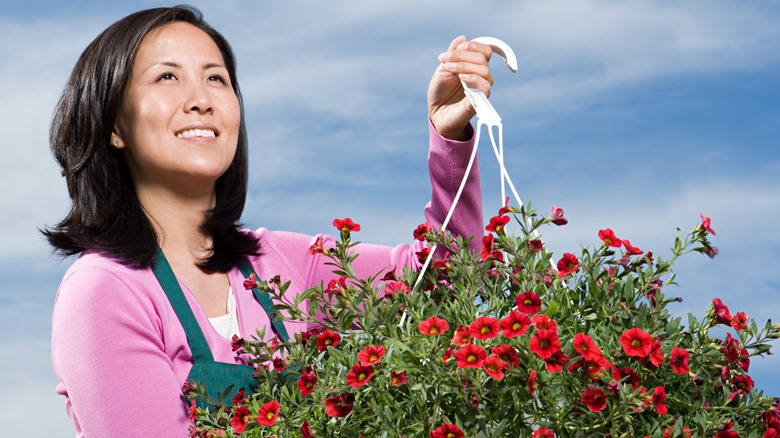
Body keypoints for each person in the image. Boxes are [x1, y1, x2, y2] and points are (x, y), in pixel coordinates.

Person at [46, 5, 493, 437]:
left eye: (216, 79)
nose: (200, 100)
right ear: (114, 125)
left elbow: (447, 283)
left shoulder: (279, 263)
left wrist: (450, 135)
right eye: (167, 77)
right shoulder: (103, 291)